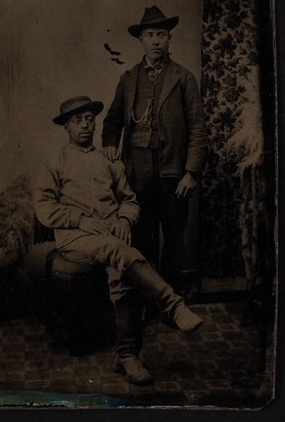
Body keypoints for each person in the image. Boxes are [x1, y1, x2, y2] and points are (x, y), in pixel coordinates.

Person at [35, 95, 203, 386]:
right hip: (75, 238)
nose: (85, 126)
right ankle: (173, 305)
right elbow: (44, 208)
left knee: (122, 275)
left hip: (110, 237)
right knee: (120, 251)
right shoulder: (55, 162)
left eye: (89, 119)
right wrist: (81, 220)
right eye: (77, 121)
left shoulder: (109, 161)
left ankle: (126, 357)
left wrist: (125, 219)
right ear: (66, 127)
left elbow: (130, 201)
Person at [101, 6, 208, 383]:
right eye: (149, 35)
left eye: (161, 34)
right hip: (137, 174)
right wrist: (111, 146)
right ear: (141, 40)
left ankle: (171, 304)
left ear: (169, 39)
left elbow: (197, 127)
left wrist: (191, 171)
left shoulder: (184, 78)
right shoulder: (128, 79)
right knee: (141, 240)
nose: (156, 41)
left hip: (172, 174)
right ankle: (149, 302)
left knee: (174, 240)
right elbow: (112, 120)